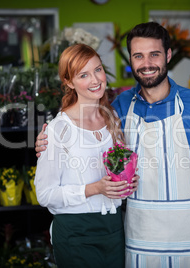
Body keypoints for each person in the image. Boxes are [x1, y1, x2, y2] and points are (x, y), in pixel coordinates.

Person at [36, 22, 190, 267]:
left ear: (168, 55)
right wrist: (48, 141)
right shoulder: (119, 108)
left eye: (154, 54)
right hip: (138, 237)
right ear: (131, 60)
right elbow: (84, 132)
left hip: (189, 234)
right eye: (138, 56)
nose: (146, 64)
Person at [34, 43, 139, 268]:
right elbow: (44, 194)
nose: (95, 80)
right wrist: (94, 188)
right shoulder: (58, 129)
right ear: (69, 82)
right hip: (76, 233)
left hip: (114, 228)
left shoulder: (112, 119)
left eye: (98, 70)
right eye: (84, 75)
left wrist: (128, 182)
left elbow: (116, 172)